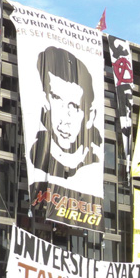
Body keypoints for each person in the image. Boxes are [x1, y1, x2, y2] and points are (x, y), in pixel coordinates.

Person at [28, 45, 104, 191]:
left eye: (74, 106)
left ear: (90, 116)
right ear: (45, 103)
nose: (65, 119)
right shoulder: (34, 156)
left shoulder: (95, 166)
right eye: (57, 99)